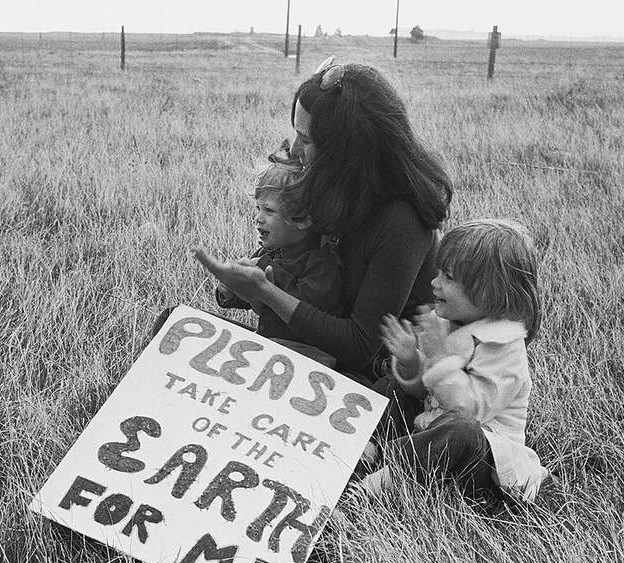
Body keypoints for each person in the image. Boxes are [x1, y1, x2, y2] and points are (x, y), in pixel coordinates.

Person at [194, 57, 452, 385]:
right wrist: (242, 285)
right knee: (174, 326)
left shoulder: (402, 223)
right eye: (297, 133)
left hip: (370, 378)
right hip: (305, 350)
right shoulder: (329, 187)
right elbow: (290, 274)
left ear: (347, 150)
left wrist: (267, 292)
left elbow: (359, 346)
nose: (296, 148)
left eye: (308, 139)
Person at [358, 218, 549, 503]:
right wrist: (411, 362)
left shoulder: (505, 348)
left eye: (448, 277)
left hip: (477, 466)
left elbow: (469, 411)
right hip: (431, 430)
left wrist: (437, 358)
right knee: (390, 387)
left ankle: (378, 486)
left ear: (489, 292)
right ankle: (364, 449)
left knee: (461, 429)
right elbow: (425, 390)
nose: (434, 283)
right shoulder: (449, 323)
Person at [214, 161, 344, 368]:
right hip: (271, 347)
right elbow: (250, 297)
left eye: (269, 210)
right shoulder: (268, 253)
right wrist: (229, 290)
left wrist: (263, 281)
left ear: (303, 219)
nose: (258, 218)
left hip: (309, 359)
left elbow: (301, 312)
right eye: (258, 208)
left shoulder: (322, 264)